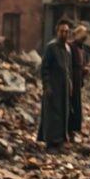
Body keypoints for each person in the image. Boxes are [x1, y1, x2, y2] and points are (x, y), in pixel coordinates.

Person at [38, 20, 73, 151]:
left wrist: (70, 85)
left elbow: (68, 69)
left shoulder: (68, 49)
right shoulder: (51, 47)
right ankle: (50, 143)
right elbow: (44, 68)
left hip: (63, 88)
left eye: (66, 32)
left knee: (62, 113)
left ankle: (60, 141)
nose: (64, 34)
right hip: (53, 87)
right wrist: (46, 85)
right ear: (57, 32)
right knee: (52, 115)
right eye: (62, 31)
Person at [68, 25, 89, 142]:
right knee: (70, 108)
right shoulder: (70, 47)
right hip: (71, 82)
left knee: (76, 108)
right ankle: (68, 131)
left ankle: (73, 131)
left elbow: (83, 64)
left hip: (77, 82)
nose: (83, 39)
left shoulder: (82, 49)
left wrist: (84, 70)